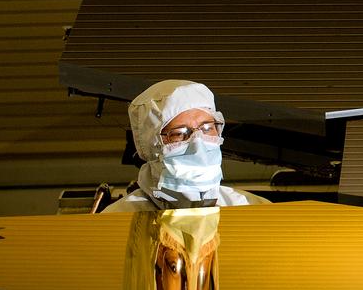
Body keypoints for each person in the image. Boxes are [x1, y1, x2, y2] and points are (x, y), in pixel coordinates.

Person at [100, 79, 270, 212]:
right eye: (179, 133)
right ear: (152, 147)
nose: (198, 143)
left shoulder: (254, 210)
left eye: (207, 128)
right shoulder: (118, 220)